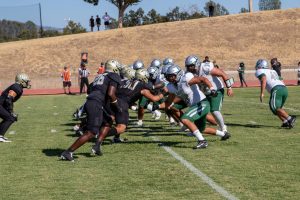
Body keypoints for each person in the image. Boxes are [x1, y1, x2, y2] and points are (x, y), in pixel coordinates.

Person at [61, 60, 122, 161]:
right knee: (92, 132)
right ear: (114, 68)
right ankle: (68, 152)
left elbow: (90, 89)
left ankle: (97, 146)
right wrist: (117, 105)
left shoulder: (101, 76)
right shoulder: (113, 76)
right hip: (96, 103)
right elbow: (111, 94)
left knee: (108, 121)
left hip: (92, 100)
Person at [255, 59, 296, 128]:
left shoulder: (259, 71)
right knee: (277, 108)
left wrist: (262, 93)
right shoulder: (273, 71)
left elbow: (264, 79)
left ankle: (290, 118)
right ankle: (285, 122)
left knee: (275, 108)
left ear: (261, 65)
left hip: (277, 89)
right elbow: (280, 79)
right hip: (284, 88)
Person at [0, 73, 31, 142]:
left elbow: (8, 101)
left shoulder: (17, 87)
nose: (28, 83)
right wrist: (11, 112)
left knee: (10, 118)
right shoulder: (17, 87)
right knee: (10, 118)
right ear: (22, 81)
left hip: (1, 105)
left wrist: (11, 111)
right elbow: (8, 100)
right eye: (27, 81)